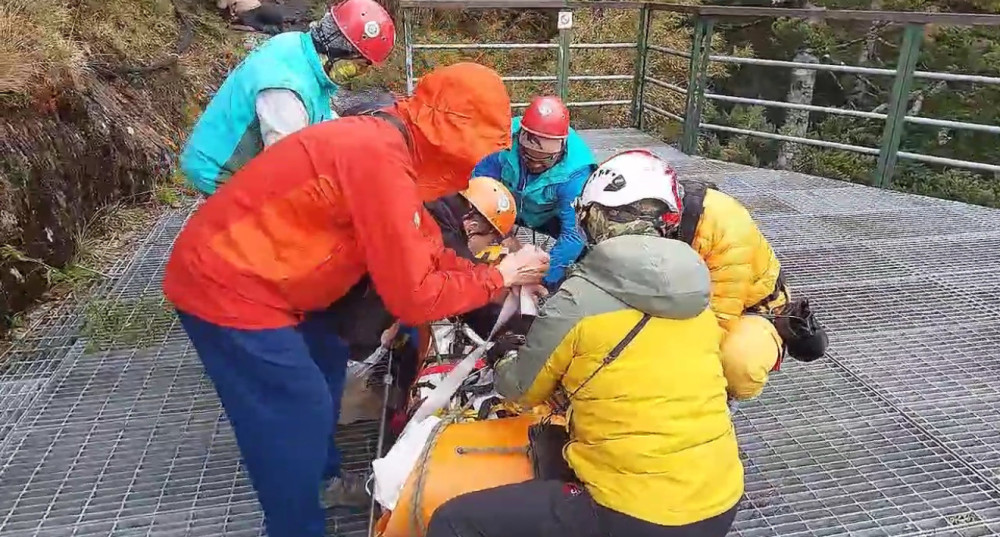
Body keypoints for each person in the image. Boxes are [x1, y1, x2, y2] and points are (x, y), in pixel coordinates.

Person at [162, 62, 551, 537]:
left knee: (325, 357)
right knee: (292, 412)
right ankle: (295, 526)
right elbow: (414, 297)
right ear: (449, 134)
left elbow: (425, 249)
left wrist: (490, 273)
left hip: (281, 278)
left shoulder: (391, 147)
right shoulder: (377, 162)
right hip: (228, 283)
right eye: (471, 151)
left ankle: (322, 479)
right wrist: (501, 276)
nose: (468, 168)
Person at [427, 163, 744, 537]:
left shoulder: (578, 298)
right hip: (721, 500)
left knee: (453, 521)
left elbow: (520, 390)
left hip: (634, 512)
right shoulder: (695, 296)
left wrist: (506, 357)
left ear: (593, 218)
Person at [571, 149, 828, 401]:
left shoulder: (723, 225)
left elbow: (716, 322)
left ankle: (717, 406)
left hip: (746, 309)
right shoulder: (641, 217)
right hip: (677, 293)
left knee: (736, 365)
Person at [181, 0, 396, 196]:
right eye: (355, 68)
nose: (355, 76)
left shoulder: (299, 46)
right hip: (220, 170)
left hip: (240, 153)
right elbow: (285, 169)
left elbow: (315, 110)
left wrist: (346, 133)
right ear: (338, 49)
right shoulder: (285, 90)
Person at [471, 95, 596, 290]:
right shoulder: (502, 141)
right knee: (468, 225)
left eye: (544, 160)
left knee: (583, 247)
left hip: (550, 215)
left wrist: (541, 278)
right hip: (506, 205)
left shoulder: (576, 173)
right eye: (528, 157)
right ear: (519, 140)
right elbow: (480, 184)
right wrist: (499, 234)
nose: (535, 164)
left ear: (560, 150)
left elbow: (573, 234)